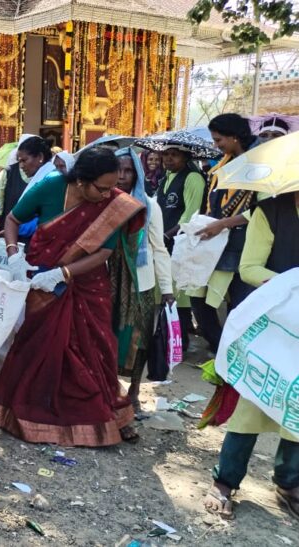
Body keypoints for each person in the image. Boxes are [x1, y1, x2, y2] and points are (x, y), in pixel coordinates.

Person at [0, 147, 145, 446]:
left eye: (111, 187)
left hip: (87, 285)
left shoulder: (111, 204)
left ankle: (102, 415)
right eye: (101, 187)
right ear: (81, 180)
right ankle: (35, 413)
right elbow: (12, 220)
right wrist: (14, 256)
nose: (106, 194)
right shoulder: (51, 186)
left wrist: (64, 274)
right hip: (41, 281)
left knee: (95, 349)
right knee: (39, 344)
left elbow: (104, 252)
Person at [203, 190, 299, 521]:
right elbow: (249, 268)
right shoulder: (271, 211)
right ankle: (224, 481)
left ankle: (289, 483)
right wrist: (292, 283)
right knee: (253, 404)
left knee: (297, 406)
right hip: (272, 323)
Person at [109, 148, 174, 411]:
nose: (123, 177)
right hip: (108, 279)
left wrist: (167, 289)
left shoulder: (149, 205)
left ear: (137, 173)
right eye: (118, 171)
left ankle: (134, 391)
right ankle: (109, 387)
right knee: (107, 334)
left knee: (140, 338)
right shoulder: (103, 202)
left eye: (128, 171)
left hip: (141, 282)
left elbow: (158, 249)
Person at [191, 113, 258, 353]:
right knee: (198, 299)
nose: (215, 145)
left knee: (238, 305)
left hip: (245, 245)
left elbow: (261, 210)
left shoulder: (258, 164)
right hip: (216, 240)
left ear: (234, 137)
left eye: (218, 140)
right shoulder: (225, 163)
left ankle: (231, 353)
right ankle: (221, 348)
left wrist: (223, 223)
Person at [156, 144, 206, 348]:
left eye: (174, 155)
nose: (168, 159)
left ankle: (181, 342)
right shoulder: (165, 178)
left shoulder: (192, 178)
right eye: (165, 155)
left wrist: (168, 235)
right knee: (166, 291)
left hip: (181, 243)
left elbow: (190, 215)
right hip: (164, 242)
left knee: (180, 295)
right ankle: (170, 340)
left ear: (186, 157)